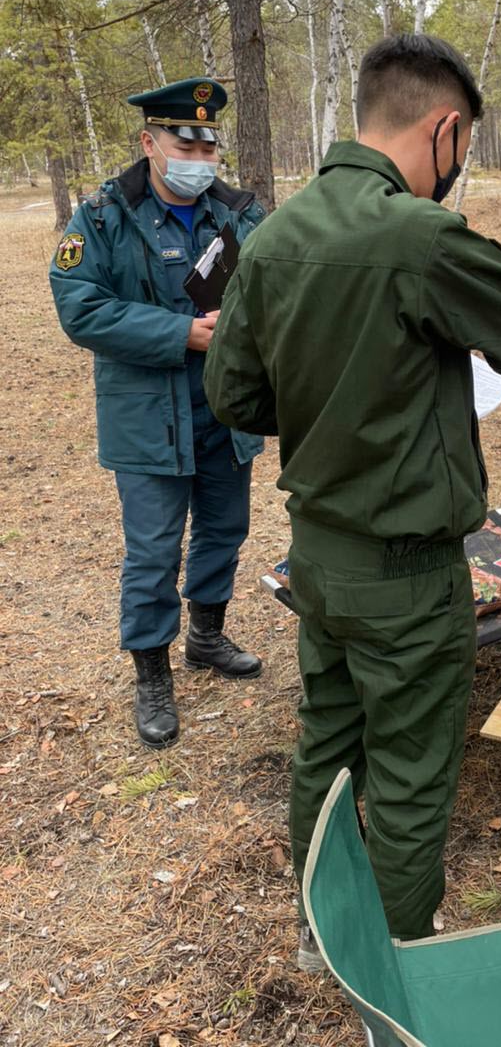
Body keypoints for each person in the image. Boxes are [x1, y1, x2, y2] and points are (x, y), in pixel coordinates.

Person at [204, 34, 501, 963]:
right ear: (445, 130)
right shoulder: (416, 234)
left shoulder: (275, 235)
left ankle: (319, 927)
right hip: (408, 577)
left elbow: (236, 398)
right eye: (467, 148)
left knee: (325, 750)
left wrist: (340, 392)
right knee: (409, 777)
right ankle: (398, 965)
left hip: (318, 560)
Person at [49, 79, 265, 751]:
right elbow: (80, 308)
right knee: (151, 553)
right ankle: (151, 673)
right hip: (149, 420)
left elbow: (278, 283)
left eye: (209, 141)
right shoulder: (104, 218)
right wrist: (180, 334)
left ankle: (205, 636)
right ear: (149, 143)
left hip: (226, 413)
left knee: (224, 531)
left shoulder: (239, 215)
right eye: (185, 139)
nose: (200, 153)